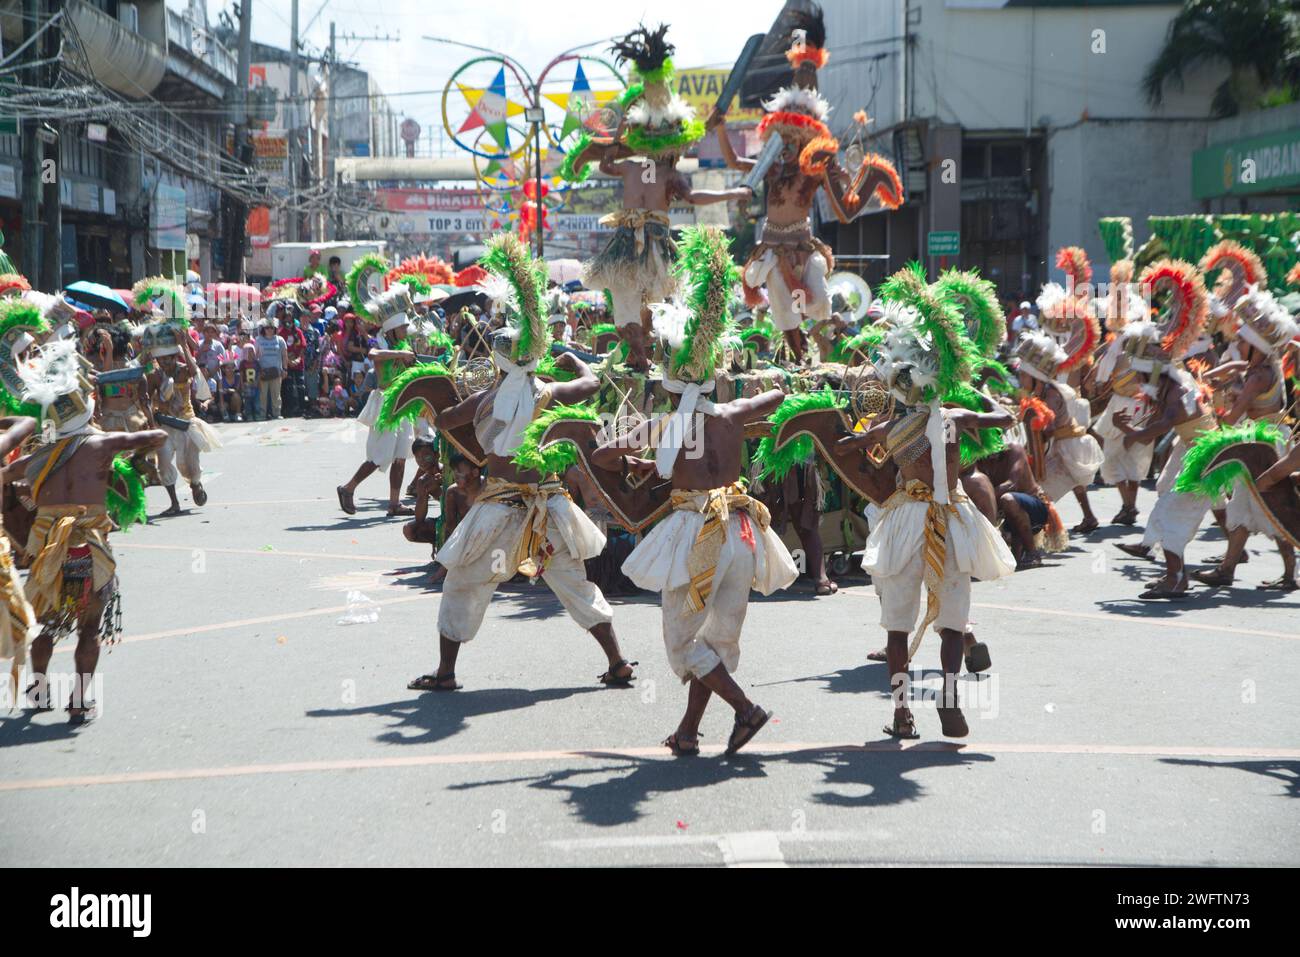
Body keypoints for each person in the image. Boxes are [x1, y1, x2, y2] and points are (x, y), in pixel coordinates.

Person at [592, 226, 799, 756]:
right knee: (717, 640)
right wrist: (775, 385)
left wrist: (636, 450)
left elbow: (601, 457)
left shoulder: (667, 425)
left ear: (673, 378)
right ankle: (688, 731)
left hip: (697, 534)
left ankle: (747, 710)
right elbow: (775, 395)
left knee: (685, 642)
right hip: (743, 533)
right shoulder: (730, 414)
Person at [410, 234, 634, 692]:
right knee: (576, 585)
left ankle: (446, 673)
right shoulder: (547, 391)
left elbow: (447, 418)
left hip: (498, 512)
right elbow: (591, 387)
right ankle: (618, 662)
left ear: (498, 361)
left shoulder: (488, 397)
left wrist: (463, 392)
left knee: (463, 585)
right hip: (549, 508)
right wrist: (576, 362)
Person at [842, 295, 1016, 740]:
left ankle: (902, 715)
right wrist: (978, 393)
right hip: (953, 521)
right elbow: (1006, 416)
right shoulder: (956, 417)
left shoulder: (887, 428)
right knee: (953, 623)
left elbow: (848, 449)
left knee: (897, 626)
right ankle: (951, 696)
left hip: (906, 523)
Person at [710, 5, 903, 362]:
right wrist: (720, 126)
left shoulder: (815, 165)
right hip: (772, 247)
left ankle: (824, 350)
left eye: (793, 136)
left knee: (821, 304)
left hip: (803, 245)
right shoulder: (771, 167)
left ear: (805, 136)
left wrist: (847, 174)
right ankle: (800, 361)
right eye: (783, 136)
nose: (787, 142)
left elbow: (843, 205)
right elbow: (736, 162)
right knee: (785, 318)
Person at [565, 24, 753, 372]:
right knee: (640, 307)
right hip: (639, 244)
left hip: (637, 245)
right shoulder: (659, 172)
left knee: (647, 307)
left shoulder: (638, 168)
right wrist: (735, 192)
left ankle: (649, 351)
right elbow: (692, 197)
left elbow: (607, 162)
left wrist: (618, 136)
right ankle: (645, 351)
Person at [10, 338, 166, 723]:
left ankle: (39, 690)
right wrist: (124, 449)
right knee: (88, 629)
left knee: (47, 626)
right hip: (90, 551)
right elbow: (157, 437)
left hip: (47, 553)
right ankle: (80, 700)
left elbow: (5, 475)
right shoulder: (100, 445)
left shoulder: (36, 458)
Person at [1111, 262, 1214, 598]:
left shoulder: (1177, 386)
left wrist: (1132, 434)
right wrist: (1132, 428)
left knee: (1171, 513)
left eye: (1140, 375)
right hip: (1195, 451)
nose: (1139, 382)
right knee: (1165, 507)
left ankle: (1178, 578)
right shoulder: (1168, 384)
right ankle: (1176, 575)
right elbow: (1158, 421)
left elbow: (1164, 424)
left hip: (1205, 456)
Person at [1187, 287, 1297, 590]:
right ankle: (1228, 570)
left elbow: (1232, 418)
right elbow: (1237, 369)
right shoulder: (1264, 366)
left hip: (1263, 449)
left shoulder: (1259, 376)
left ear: (1255, 346)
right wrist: (1216, 381)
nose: (1238, 344)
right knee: (1243, 509)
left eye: (1243, 341)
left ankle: (1289, 575)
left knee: (1272, 506)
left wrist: (1206, 403)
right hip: (1264, 443)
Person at [337, 284, 420, 517]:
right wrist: (400, 355)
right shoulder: (380, 344)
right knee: (379, 456)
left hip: (402, 404)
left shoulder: (403, 346)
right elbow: (373, 356)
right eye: (403, 327)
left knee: (402, 456)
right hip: (386, 403)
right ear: (393, 330)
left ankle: (394, 504)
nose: (406, 330)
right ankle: (348, 488)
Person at [1013, 332, 1104, 534]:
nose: (1020, 379)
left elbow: (1049, 428)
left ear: (1035, 377)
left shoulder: (1051, 393)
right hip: (1063, 445)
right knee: (1067, 483)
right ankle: (1086, 517)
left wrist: (1032, 438)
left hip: (1068, 447)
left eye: (1023, 375)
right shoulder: (1043, 391)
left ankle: (1037, 535)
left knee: (1041, 490)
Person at [143, 316, 222, 515]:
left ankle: (195, 484)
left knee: (188, 465)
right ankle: (174, 503)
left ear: (174, 356)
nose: (166, 362)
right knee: (164, 462)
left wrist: (184, 345)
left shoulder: (182, 371)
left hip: (186, 424)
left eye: (169, 358)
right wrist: (151, 422)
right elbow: (146, 397)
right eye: (161, 359)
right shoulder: (155, 375)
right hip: (165, 426)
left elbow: (195, 371)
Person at [254, 318, 287, 420]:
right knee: (262, 395)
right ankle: (262, 414)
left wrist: (285, 369)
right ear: (263, 329)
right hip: (263, 371)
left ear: (275, 328)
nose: (269, 330)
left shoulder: (280, 340)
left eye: (272, 328)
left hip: (276, 371)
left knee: (276, 394)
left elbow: (284, 355)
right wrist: (257, 371)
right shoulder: (258, 340)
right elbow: (255, 356)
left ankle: (276, 413)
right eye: (267, 328)